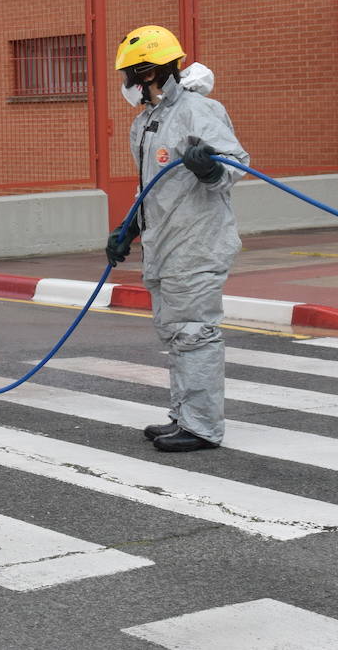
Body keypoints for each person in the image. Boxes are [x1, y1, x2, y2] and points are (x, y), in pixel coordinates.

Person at [105, 25, 249, 453]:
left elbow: (235, 165)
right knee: (175, 332)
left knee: (194, 332)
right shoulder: (147, 122)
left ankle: (202, 427)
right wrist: (128, 228)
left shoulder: (197, 111)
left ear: (148, 73)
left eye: (129, 75)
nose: (126, 84)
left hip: (197, 240)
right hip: (164, 242)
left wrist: (210, 168)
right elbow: (149, 187)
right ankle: (184, 415)